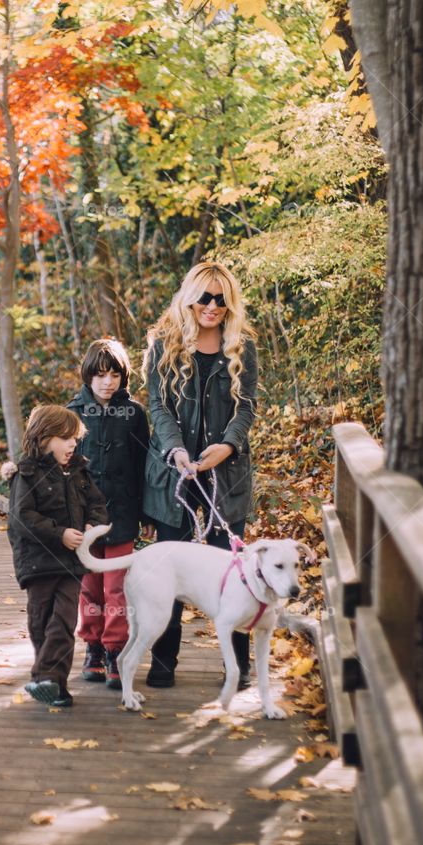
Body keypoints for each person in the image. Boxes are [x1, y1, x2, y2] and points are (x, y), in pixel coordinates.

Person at [142, 261, 258, 690]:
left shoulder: (241, 345)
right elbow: (158, 406)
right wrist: (176, 449)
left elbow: (246, 406)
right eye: (205, 297)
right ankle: (163, 662)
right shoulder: (163, 345)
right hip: (174, 475)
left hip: (225, 477)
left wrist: (227, 445)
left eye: (221, 298)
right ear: (190, 296)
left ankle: (238, 668)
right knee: (169, 570)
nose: (213, 306)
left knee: (232, 573)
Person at [5, 404, 108, 709]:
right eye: (66, 438)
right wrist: (59, 533)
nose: (73, 444)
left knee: (63, 622)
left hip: (70, 565)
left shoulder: (79, 472)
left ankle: (46, 677)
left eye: (75, 438)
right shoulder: (26, 473)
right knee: (41, 624)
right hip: (38, 563)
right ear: (45, 437)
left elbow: (97, 504)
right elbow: (21, 518)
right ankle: (55, 685)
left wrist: (92, 525)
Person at [67, 338, 150, 689]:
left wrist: (146, 511)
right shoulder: (71, 413)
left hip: (123, 514)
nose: (107, 382)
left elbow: (144, 464)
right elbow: (62, 467)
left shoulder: (134, 413)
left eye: (114, 374)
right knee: (89, 588)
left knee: (118, 588)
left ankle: (116, 650)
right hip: (84, 520)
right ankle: (93, 647)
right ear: (88, 376)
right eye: (100, 374)